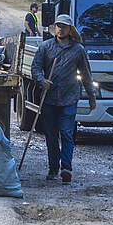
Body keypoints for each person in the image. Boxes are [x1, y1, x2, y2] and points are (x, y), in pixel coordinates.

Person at [32, 14, 96, 183]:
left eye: (64, 26)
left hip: (69, 98)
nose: (60, 29)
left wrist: (92, 97)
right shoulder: (45, 47)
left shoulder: (78, 50)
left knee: (67, 134)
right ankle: (53, 169)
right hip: (49, 99)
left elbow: (86, 75)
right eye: (58, 26)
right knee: (51, 136)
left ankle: (66, 167)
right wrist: (41, 80)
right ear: (55, 28)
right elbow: (36, 68)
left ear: (70, 29)